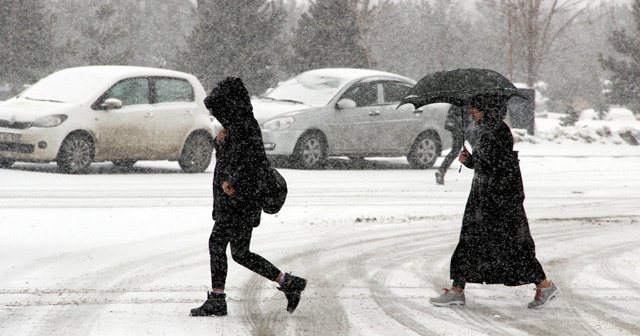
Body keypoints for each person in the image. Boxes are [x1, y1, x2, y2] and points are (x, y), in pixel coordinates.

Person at [190, 77, 307, 317]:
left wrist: (231, 181)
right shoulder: (236, 124)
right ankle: (288, 283)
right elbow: (233, 154)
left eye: (219, 108)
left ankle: (218, 299)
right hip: (238, 199)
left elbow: (250, 161)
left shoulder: (244, 125)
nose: (216, 114)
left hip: (240, 199)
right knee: (240, 253)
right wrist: (219, 142)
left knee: (218, 245)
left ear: (229, 104)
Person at [429, 94, 559, 309]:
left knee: (512, 248)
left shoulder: (496, 131)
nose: (471, 111)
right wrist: (471, 161)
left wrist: (474, 161)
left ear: (487, 109)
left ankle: (544, 285)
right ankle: (457, 291)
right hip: (486, 198)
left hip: (498, 202)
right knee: (472, 244)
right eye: (470, 107)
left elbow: (498, 167)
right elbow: (489, 164)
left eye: (475, 108)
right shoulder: (488, 129)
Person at [435, 105, 477, 185]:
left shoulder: (457, 103)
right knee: (475, 149)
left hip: (463, 128)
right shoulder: (463, 103)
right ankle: (442, 170)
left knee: (456, 150)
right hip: (464, 128)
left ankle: (442, 169)